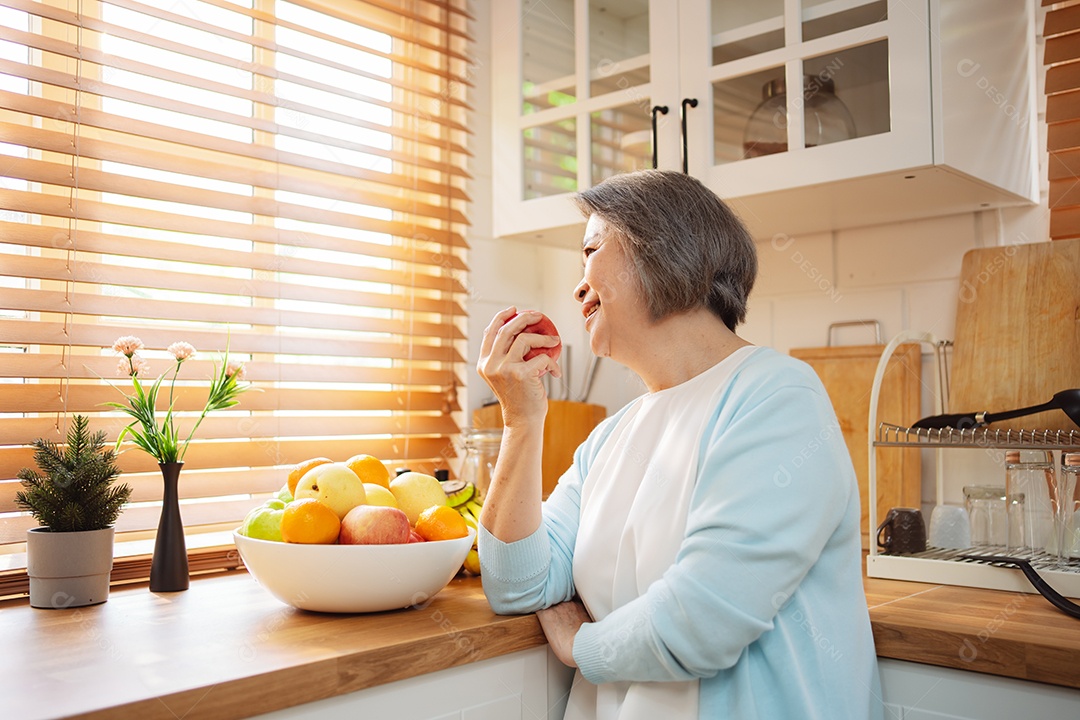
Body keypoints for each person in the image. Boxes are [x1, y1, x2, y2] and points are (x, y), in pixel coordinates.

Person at [475, 170, 882, 720]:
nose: (577, 287)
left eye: (592, 249)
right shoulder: (613, 436)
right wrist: (521, 422)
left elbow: (704, 619)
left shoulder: (778, 396)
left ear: (663, 250)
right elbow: (517, 584)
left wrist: (580, 646)